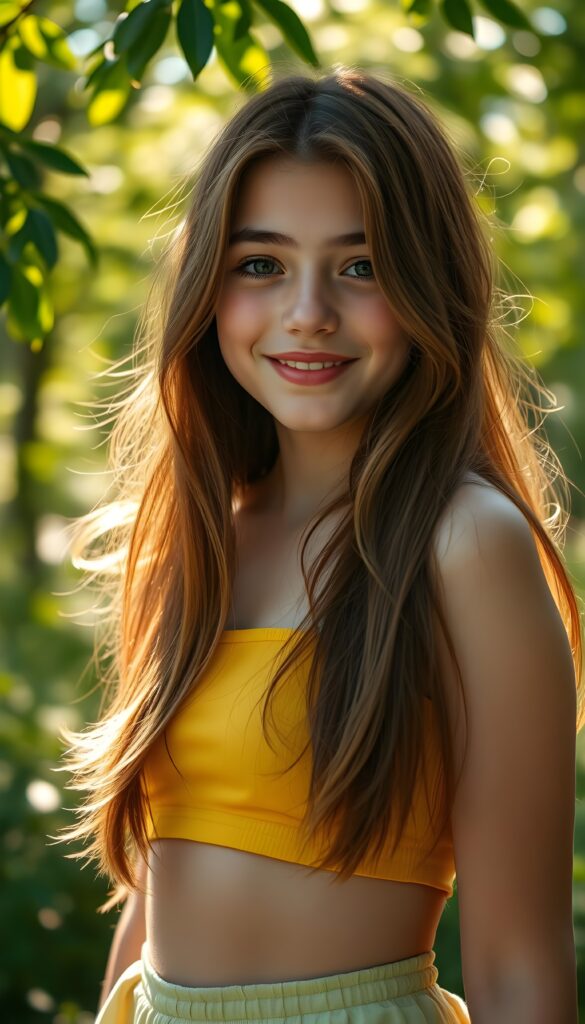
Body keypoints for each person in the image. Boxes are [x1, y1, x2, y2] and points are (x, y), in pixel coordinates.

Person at [56, 65, 583, 1024]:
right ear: (209, 287)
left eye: (360, 265)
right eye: (261, 264)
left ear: (427, 284)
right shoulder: (198, 535)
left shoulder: (462, 543)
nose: (307, 312)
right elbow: (159, 880)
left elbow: (518, 970)